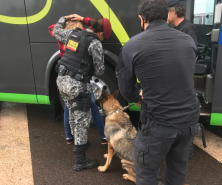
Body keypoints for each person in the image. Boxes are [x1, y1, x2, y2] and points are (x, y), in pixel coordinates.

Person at [116, 0, 200, 184]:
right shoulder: (187, 40)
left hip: (159, 122)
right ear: (167, 16)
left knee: (146, 174)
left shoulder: (131, 45)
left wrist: (138, 96)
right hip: (189, 121)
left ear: (142, 18)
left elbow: (125, 88)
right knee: (177, 172)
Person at [52, 14, 111, 171]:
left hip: (61, 80)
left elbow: (56, 30)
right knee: (81, 121)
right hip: (77, 86)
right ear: (101, 33)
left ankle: (78, 144)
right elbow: (99, 69)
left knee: (72, 113)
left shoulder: (74, 33)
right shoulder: (95, 43)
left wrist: (63, 18)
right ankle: (80, 161)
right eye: (104, 37)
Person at [167, 0, 199, 158]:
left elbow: (193, 55)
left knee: (185, 112)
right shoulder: (176, 28)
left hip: (182, 79)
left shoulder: (187, 28)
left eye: (167, 11)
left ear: (173, 11)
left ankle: (187, 150)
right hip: (176, 78)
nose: (165, 14)